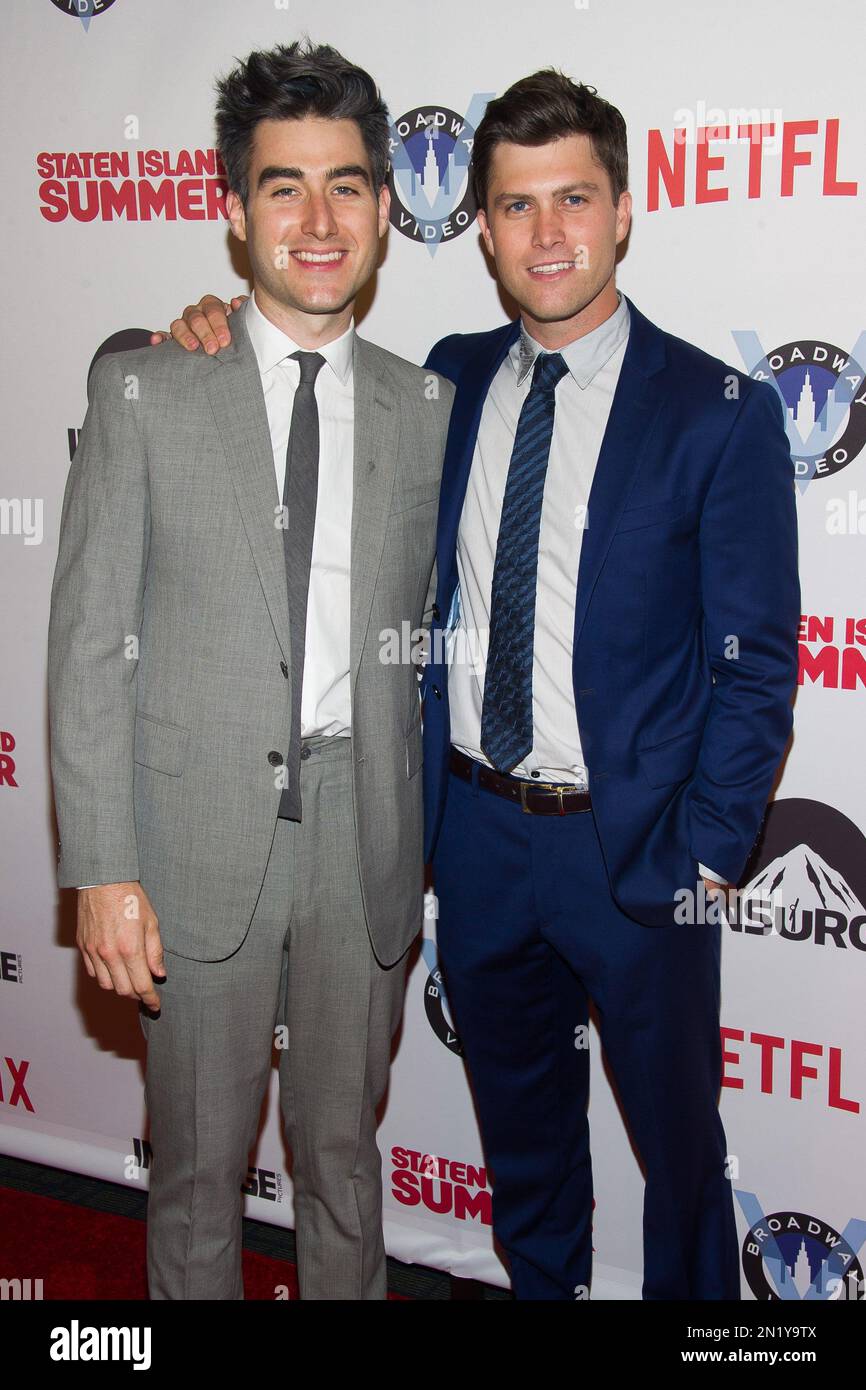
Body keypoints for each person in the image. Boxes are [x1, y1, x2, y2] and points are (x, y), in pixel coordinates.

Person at [163, 70, 800, 1300]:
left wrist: (708, 851)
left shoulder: (714, 413)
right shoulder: (439, 384)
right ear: (483, 228)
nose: (546, 234)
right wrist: (199, 326)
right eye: (516, 207)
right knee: (526, 1146)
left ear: (623, 210)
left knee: (680, 1158)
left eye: (573, 200)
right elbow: (290, 366)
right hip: (476, 841)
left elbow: (757, 655)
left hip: (641, 857)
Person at [47, 39, 453, 1301]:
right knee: (195, 1175)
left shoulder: (426, 408)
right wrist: (102, 871)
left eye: (346, 184)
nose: (319, 219)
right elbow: (85, 649)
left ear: (387, 208)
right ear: (233, 212)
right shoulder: (144, 391)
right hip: (189, 844)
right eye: (284, 186)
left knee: (342, 1160)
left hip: (363, 841)